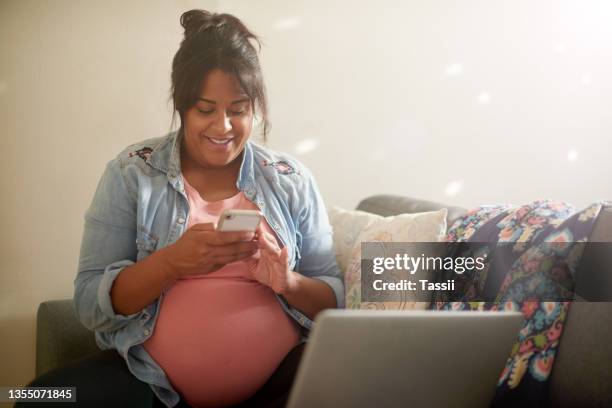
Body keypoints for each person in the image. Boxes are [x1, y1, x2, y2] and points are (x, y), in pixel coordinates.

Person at [18, 9, 343, 408]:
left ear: (254, 108)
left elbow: (334, 299)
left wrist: (287, 282)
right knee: (39, 399)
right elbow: (89, 304)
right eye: (205, 109)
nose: (222, 126)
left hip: (277, 385)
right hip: (150, 384)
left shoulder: (290, 178)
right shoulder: (131, 172)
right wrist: (172, 263)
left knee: (360, 378)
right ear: (182, 104)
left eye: (238, 110)